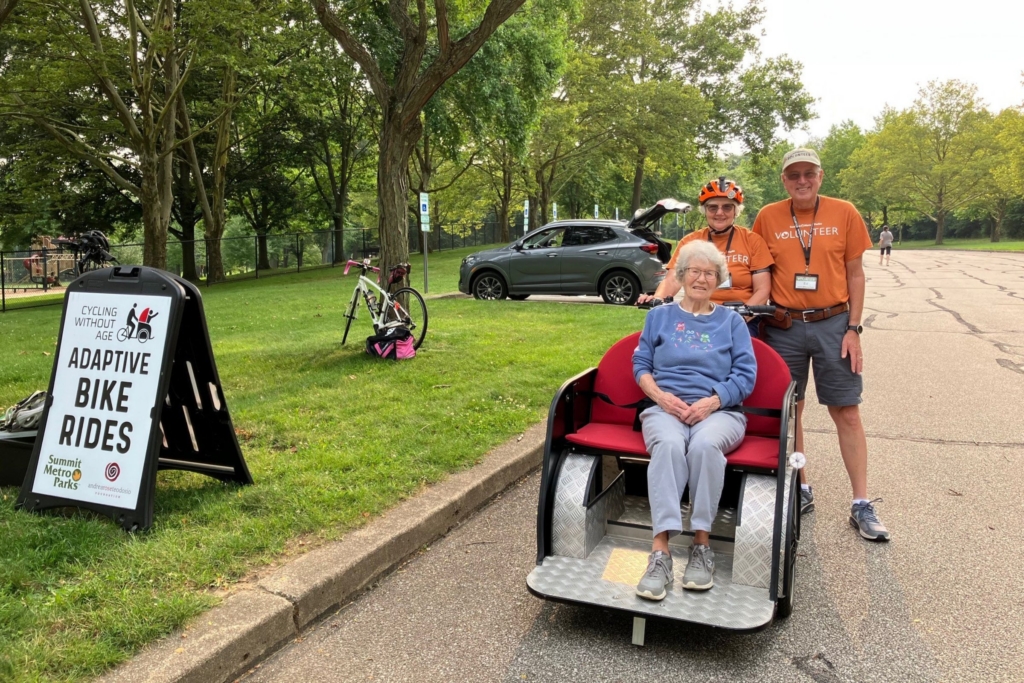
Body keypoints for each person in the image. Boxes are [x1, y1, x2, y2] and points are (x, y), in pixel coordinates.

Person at [751, 148, 890, 541]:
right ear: (784, 180)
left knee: (846, 411)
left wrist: (854, 328)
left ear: (820, 176)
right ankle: (801, 487)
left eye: (808, 173)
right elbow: (756, 270)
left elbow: (856, 274)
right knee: (789, 411)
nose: (801, 181)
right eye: (793, 175)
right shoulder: (768, 216)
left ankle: (861, 503)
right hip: (784, 325)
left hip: (834, 324)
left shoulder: (844, 212)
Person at [632, 241, 756, 599]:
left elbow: (746, 376)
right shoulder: (659, 316)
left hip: (719, 411)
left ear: (719, 279)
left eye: (709, 273)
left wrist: (712, 402)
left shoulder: (732, 322)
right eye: (694, 272)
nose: (701, 279)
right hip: (665, 407)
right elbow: (641, 366)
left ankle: (702, 544)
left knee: (703, 446)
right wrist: (660, 397)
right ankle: (660, 552)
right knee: (669, 446)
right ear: (681, 276)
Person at [638, 178, 774, 338]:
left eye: (727, 207)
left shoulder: (753, 241)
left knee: (743, 357)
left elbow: (762, 289)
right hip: (697, 315)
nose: (719, 213)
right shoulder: (690, 241)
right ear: (704, 210)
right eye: (712, 207)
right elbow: (672, 280)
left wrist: (738, 319)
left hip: (742, 318)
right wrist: (658, 299)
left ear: (736, 211)